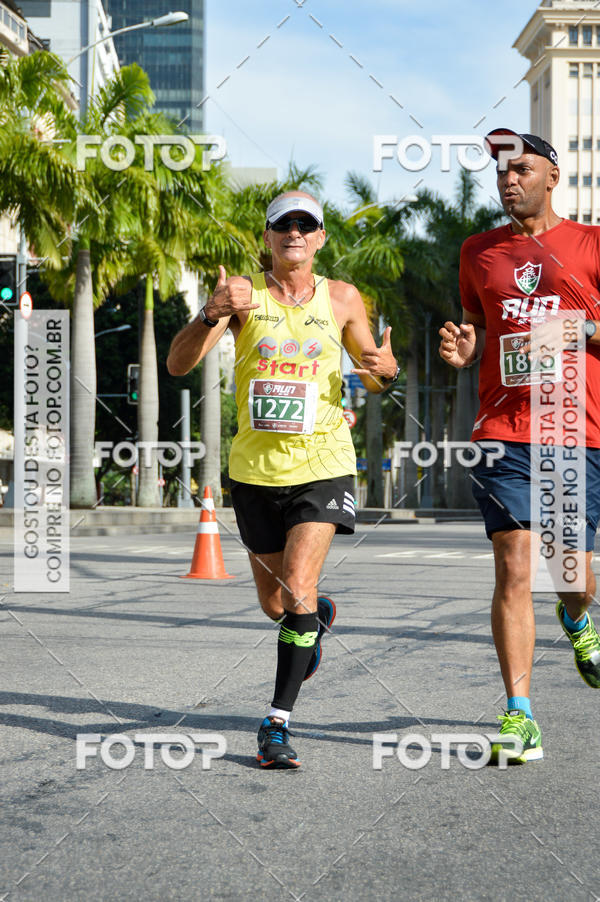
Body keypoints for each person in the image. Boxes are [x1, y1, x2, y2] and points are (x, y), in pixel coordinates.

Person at [168, 191, 399, 767]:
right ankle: (314, 619)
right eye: (283, 224)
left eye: (306, 224)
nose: (295, 232)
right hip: (254, 472)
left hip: (323, 464)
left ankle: (276, 723)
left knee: (297, 585)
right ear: (267, 238)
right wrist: (210, 311)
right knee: (278, 604)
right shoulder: (242, 297)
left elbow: (373, 371)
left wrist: (385, 372)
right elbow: (177, 365)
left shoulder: (342, 299)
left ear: (320, 238)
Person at [439, 129, 600, 764]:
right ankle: (519, 714)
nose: (509, 179)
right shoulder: (478, 251)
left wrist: (576, 329)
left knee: (572, 574)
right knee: (513, 567)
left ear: (553, 176)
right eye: (501, 171)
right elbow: (477, 327)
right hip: (503, 432)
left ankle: (580, 623)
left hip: (576, 430)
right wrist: (465, 348)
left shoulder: (590, 243)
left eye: (522, 168)